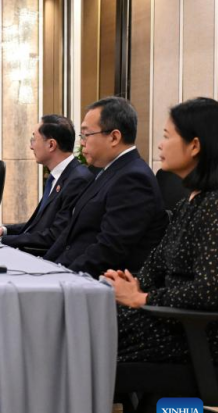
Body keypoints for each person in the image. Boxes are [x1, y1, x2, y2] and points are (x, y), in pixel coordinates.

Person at [103, 97, 218, 363]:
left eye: (167, 136)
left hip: (191, 335)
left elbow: (209, 290)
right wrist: (127, 284)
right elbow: (154, 267)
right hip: (165, 319)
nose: (160, 144)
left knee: (82, 335)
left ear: (195, 146)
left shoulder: (214, 205)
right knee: (83, 319)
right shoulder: (186, 204)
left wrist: (142, 298)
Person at [44, 97, 168, 278]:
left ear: (114, 137)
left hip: (95, 282)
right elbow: (70, 234)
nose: (82, 143)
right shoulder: (104, 171)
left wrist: (60, 276)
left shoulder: (133, 178)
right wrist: (44, 266)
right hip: (68, 271)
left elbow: (109, 249)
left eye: (86, 135)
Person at [0, 115, 93, 252]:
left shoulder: (78, 179)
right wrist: (4, 230)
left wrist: (3, 241)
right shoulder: (57, 177)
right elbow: (38, 225)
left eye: (34, 139)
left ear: (51, 145)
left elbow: (55, 235)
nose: (31, 146)